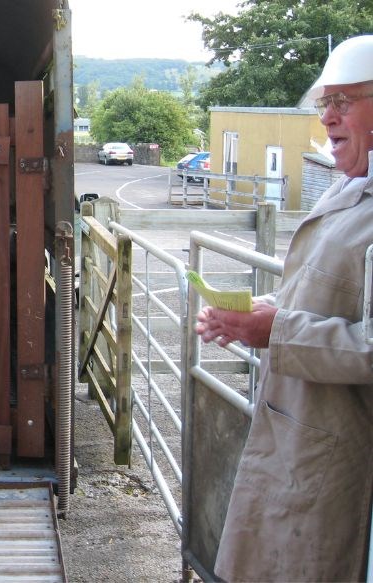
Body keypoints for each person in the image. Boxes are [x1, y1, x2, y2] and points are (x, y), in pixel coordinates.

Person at [195, 35, 373, 582]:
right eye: (324, 103)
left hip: (338, 450)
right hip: (299, 433)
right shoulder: (349, 187)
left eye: (343, 101)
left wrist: (276, 330)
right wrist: (255, 313)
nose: (327, 118)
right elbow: (326, 292)